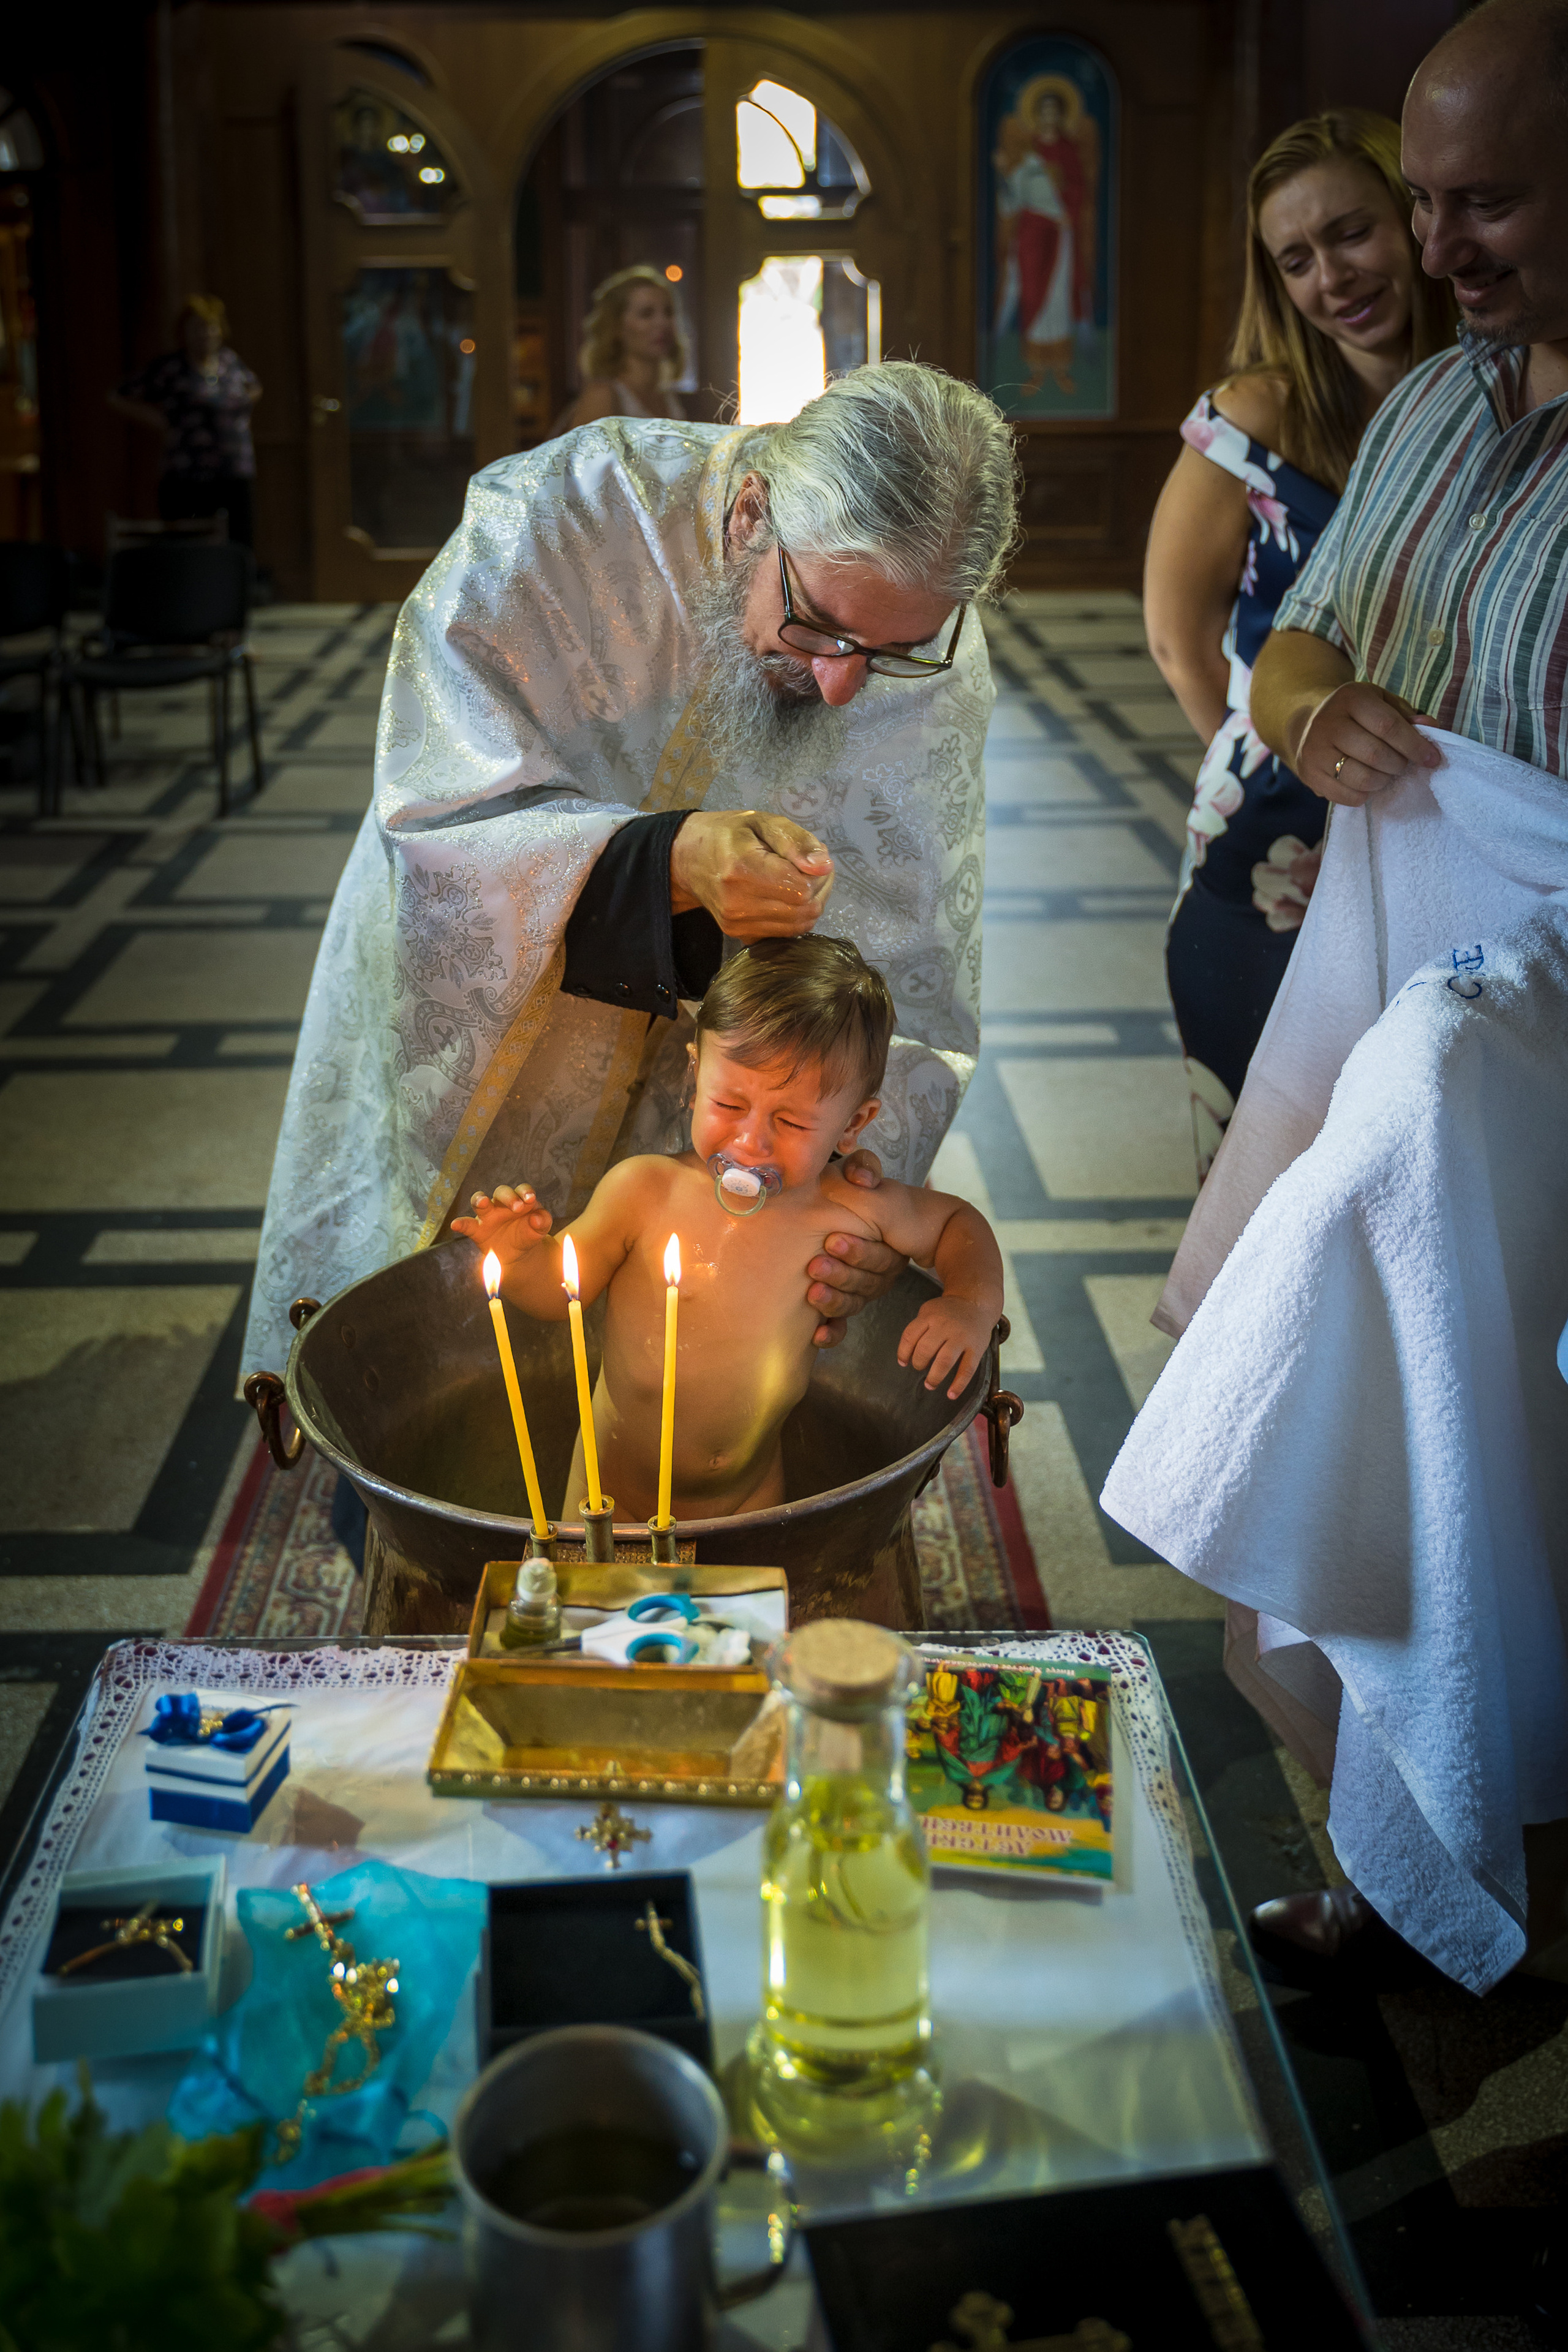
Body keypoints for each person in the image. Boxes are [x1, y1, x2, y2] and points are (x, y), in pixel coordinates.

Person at [1117, 0, 1568, 1991]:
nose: (1442, 247)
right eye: (1430, 200)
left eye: (1490, 203)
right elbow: (1288, 638)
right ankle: (1408, 1844)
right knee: (1365, 1386)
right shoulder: (1448, 406)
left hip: (1523, 1027)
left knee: (1476, 1421)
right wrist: (1316, 709)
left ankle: (1475, 1837)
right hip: (1388, 951)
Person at [244, 363, 1017, 1439]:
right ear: (753, 515)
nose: (845, 684)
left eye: (892, 653)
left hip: (731, 1114)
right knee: (435, 1397)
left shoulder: (928, 642)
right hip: (493, 1063)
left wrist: (854, 1203)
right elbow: (433, 813)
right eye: (823, 627)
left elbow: (915, 944)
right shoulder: (560, 516)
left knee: (680, 1416)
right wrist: (667, 863)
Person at [1144, 112, 1450, 1177]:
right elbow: (1179, 638)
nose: (1333, 277)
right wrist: (1260, 757)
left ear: (1418, 219)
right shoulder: (1254, 417)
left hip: (1452, 830)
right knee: (1264, 1180)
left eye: (1353, 233)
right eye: (1298, 259)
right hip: (1271, 853)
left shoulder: (1500, 396)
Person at [456, 936, 1003, 1522]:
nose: (751, 1141)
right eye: (729, 1105)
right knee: (587, 1585)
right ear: (697, 1076)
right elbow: (558, 1293)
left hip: (749, 1498)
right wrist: (519, 1257)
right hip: (610, 1496)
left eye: (792, 1122)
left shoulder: (849, 1206)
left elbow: (955, 1223)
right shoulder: (645, 1191)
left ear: (853, 1124)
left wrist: (969, 1301)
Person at [108, 296, 262, 548]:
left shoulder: (230, 362)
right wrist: (160, 420)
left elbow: (255, 387)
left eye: (211, 327)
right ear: (184, 332)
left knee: (239, 543)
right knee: (190, 546)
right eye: (198, 328)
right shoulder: (172, 368)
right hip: (188, 472)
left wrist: (241, 417)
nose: (206, 334)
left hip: (234, 468)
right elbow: (118, 396)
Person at [552, 265, 688, 435]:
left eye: (668, 312)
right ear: (617, 327)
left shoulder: (667, 398)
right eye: (646, 314)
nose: (662, 323)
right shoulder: (603, 396)